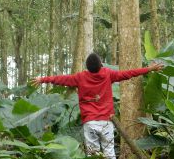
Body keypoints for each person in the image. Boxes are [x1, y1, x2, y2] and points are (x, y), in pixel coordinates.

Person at [31, 53, 163, 159]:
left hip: (90, 122)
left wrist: (43, 79)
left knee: (93, 155)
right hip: (106, 121)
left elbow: (61, 79)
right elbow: (128, 74)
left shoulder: (80, 77)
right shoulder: (107, 74)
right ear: (100, 65)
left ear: (87, 67)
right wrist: (149, 69)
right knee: (109, 153)